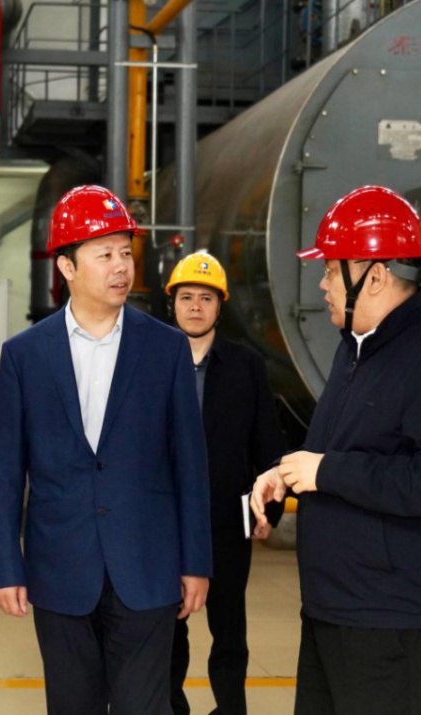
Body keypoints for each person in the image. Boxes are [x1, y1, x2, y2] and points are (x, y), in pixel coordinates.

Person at [249, 186, 421, 715]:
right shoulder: (355, 350)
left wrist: (328, 472)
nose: (323, 283)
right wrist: (286, 473)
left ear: (374, 276)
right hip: (335, 609)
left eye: (331, 270)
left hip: (392, 624)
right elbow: (344, 450)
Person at [0, 184, 213, 715]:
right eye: (104, 254)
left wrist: (196, 561)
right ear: (66, 266)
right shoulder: (24, 355)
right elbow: (5, 471)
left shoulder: (166, 348)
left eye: (125, 253)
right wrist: (4, 564)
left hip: (148, 566)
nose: (121, 267)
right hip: (60, 568)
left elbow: (190, 465)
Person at [165, 251, 285, 715]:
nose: (196, 306)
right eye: (187, 297)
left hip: (226, 522)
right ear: (172, 303)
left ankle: (231, 709)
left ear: (221, 306)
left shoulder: (245, 365)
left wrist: (267, 511)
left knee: (229, 630)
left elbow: (266, 441)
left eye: (206, 298)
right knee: (167, 629)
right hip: (165, 521)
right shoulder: (152, 361)